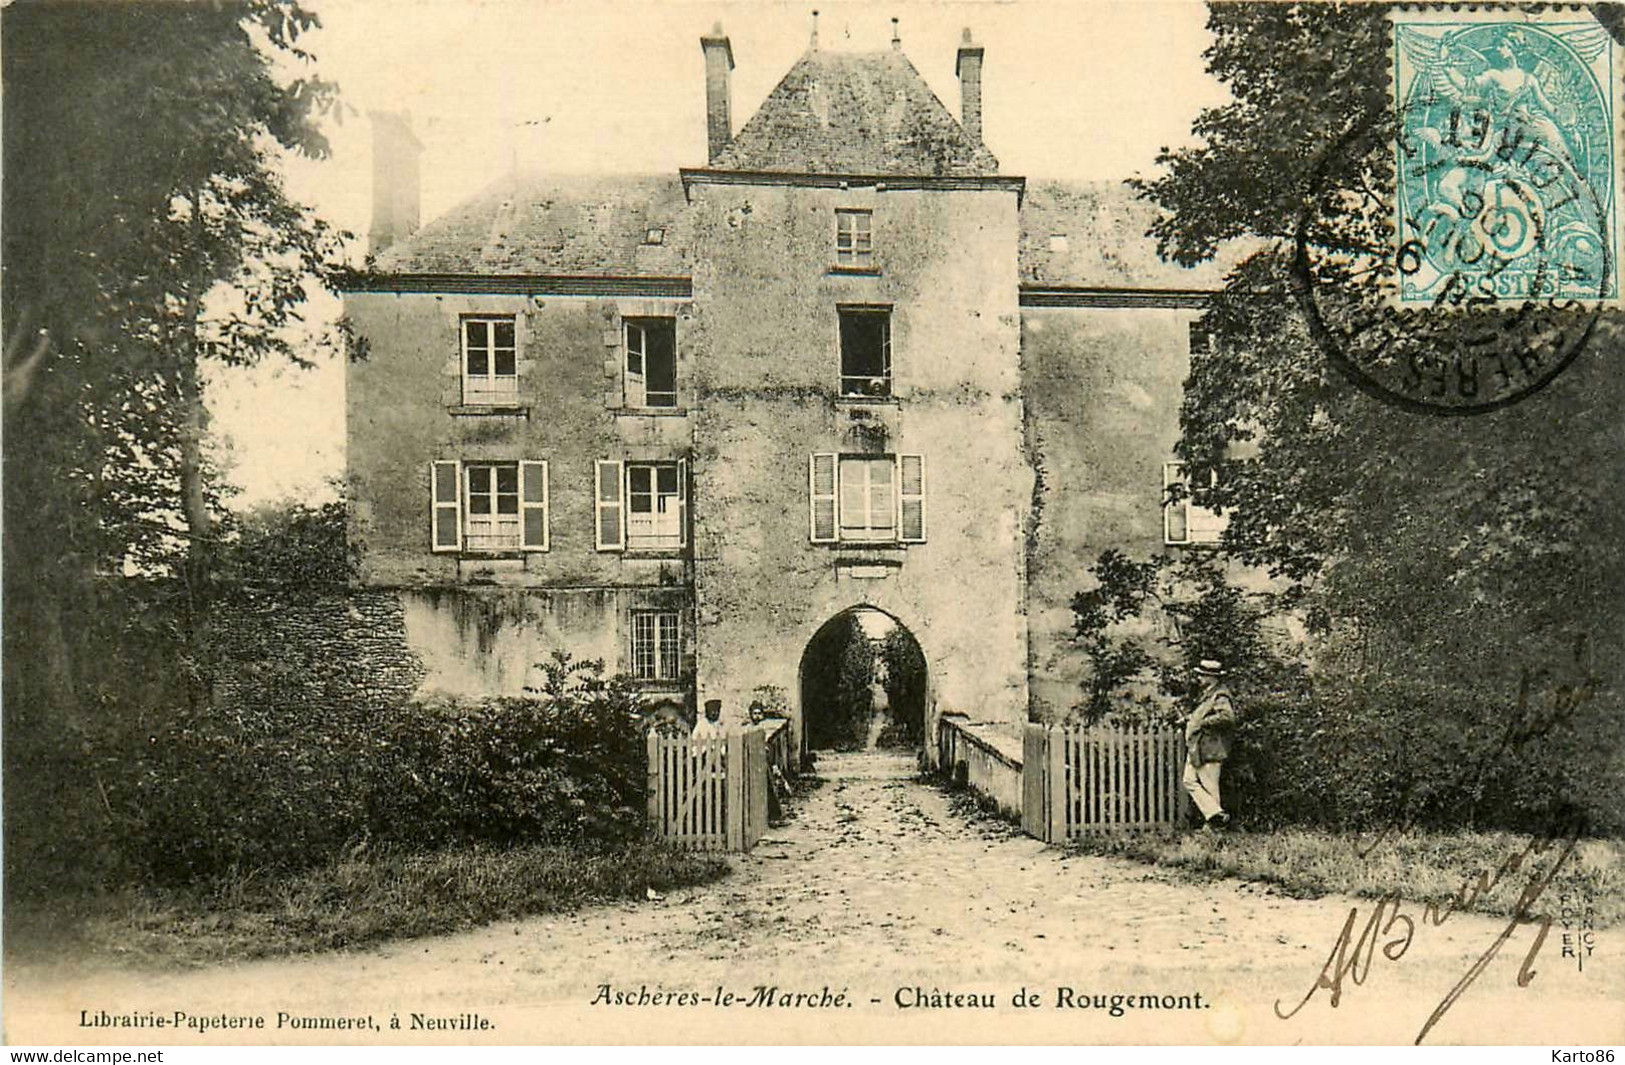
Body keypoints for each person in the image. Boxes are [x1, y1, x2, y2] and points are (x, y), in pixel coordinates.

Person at [1183, 659, 1237, 830]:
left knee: (1210, 787)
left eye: (1202, 675)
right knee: (1189, 780)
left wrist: (1204, 722)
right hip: (1198, 747)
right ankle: (1216, 816)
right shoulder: (1207, 695)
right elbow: (1201, 715)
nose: (1199, 678)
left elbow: (1227, 717)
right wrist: (1190, 720)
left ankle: (1215, 828)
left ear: (1211, 677)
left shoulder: (1220, 695)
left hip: (1210, 747)